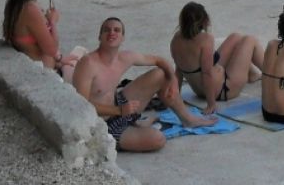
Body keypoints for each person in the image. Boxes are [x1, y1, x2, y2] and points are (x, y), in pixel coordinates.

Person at [74, 17, 214, 152]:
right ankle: (136, 126)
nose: (112, 33)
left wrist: (172, 80)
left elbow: (159, 60)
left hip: (119, 106)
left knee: (160, 74)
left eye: (117, 30)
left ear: (123, 38)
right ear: (99, 36)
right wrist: (119, 111)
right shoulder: (88, 64)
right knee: (158, 140)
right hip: (100, 125)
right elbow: (82, 106)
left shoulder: (124, 57)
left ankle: (188, 120)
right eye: (107, 30)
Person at [170, 2, 262, 114]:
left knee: (236, 37)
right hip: (224, 89)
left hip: (199, 91)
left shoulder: (176, 39)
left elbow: (178, 72)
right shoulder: (205, 39)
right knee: (249, 40)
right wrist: (211, 104)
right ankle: (274, 75)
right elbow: (207, 73)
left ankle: (253, 74)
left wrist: (176, 98)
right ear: (204, 20)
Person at [2, 0, 79, 76]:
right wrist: (53, 21)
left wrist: (60, 59)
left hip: (44, 65)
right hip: (46, 73)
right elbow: (51, 49)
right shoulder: (30, 10)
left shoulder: (13, 3)